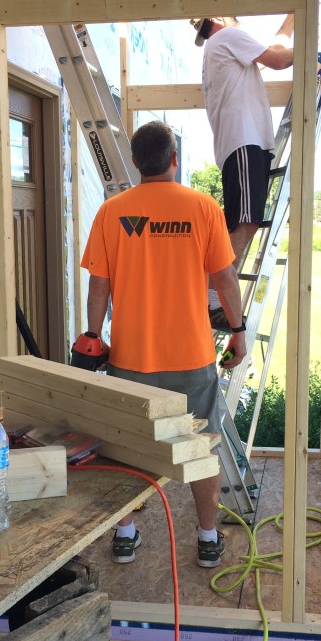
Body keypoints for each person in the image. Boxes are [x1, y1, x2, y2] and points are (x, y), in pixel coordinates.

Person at [80, 120, 247, 569]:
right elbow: (225, 278)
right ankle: (208, 538)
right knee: (200, 448)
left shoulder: (112, 212)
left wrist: (93, 337)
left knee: (123, 447)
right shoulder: (203, 207)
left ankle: (125, 534)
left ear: (136, 162)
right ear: (175, 159)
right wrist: (238, 330)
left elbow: (99, 286)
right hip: (191, 359)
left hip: (130, 359)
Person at [191, 13, 294, 331]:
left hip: (237, 145)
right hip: (245, 142)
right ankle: (212, 303)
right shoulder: (229, 37)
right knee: (247, 224)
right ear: (220, 17)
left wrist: (292, 19)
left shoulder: (219, 48)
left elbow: (274, 48)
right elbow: (279, 60)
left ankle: (213, 300)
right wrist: (312, 49)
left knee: (238, 226)